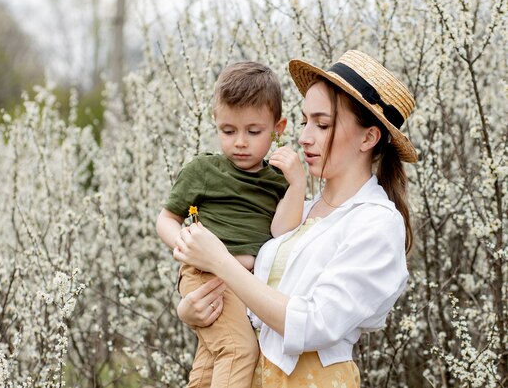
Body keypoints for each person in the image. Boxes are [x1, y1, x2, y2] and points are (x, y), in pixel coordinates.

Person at [174, 50, 416, 387]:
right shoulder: (297, 210)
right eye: (304, 121)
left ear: (368, 136)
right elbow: (252, 308)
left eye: (323, 124)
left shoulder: (376, 224)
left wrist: (220, 260)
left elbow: (315, 322)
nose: (305, 137)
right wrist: (190, 312)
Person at [156, 61, 305, 387]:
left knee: (212, 361)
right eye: (228, 131)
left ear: (277, 129)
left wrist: (297, 186)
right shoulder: (204, 170)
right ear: (216, 123)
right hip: (205, 275)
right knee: (238, 350)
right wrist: (186, 245)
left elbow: (282, 231)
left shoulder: (276, 181)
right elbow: (167, 218)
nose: (240, 142)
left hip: (242, 283)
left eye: (253, 132)